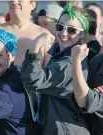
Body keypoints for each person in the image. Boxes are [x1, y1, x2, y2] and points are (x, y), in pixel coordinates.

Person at [20, 3, 90, 135]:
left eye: (71, 30)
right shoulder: (60, 55)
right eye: (60, 27)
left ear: (81, 34)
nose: (63, 33)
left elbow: (33, 80)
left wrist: (35, 46)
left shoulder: (71, 62)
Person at [0, 0, 52, 105]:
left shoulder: (43, 35)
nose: (14, 2)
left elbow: (47, 78)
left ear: (33, 4)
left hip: (29, 108)